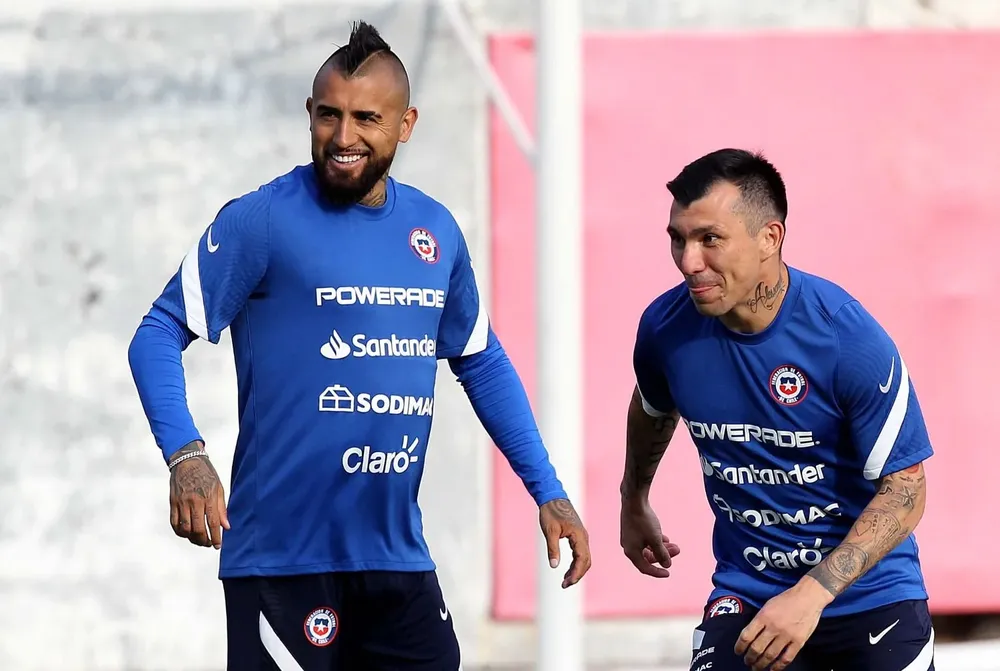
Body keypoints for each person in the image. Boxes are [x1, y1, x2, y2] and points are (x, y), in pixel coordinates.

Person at [128, 20, 590, 670]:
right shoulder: (262, 220)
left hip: (396, 557)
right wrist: (186, 454)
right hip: (285, 561)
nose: (344, 138)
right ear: (310, 115)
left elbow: (480, 359)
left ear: (406, 123)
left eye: (366, 118)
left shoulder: (435, 231)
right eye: (329, 116)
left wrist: (548, 489)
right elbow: (156, 332)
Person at [618, 148, 934, 671]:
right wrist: (634, 498)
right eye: (678, 239)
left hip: (870, 601)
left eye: (709, 239)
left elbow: (906, 490)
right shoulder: (664, 328)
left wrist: (811, 595)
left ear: (770, 238)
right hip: (749, 597)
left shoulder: (846, 337)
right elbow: (652, 406)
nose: (689, 262)